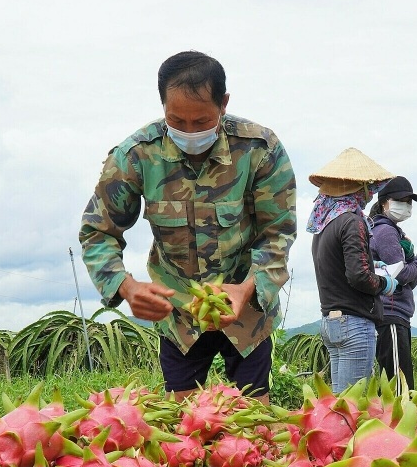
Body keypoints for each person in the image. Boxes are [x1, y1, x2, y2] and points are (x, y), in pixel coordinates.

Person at [79, 51, 296, 403]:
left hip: (247, 310)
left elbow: (278, 234)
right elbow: (97, 232)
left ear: (223, 104)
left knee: (254, 417)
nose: (190, 132)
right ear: (163, 106)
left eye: (202, 121)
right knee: (182, 422)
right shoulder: (137, 155)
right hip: (177, 313)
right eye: (176, 121)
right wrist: (126, 287)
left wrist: (246, 289)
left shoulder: (260, 150)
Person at [307, 148, 398, 394]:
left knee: (340, 401)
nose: (370, 193)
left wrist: (372, 264)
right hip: (354, 323)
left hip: (331, 321)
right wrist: (385, 284)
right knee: (352, 404)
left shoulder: (324, 224)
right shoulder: (352, 221)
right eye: (367, 187)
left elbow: (338, 265)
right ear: (358, 188)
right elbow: (358, 276)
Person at [369, 176, 417, 393]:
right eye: (401, 200)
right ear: (384, 202)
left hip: (395, 314)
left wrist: (410, 262)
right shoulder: (386, 232)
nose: (406, 206)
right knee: (399, 387)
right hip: (391, 313)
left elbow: (409, 280)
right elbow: (402, 276)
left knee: (394, 382)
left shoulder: (390, 231)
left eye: (409, 202)